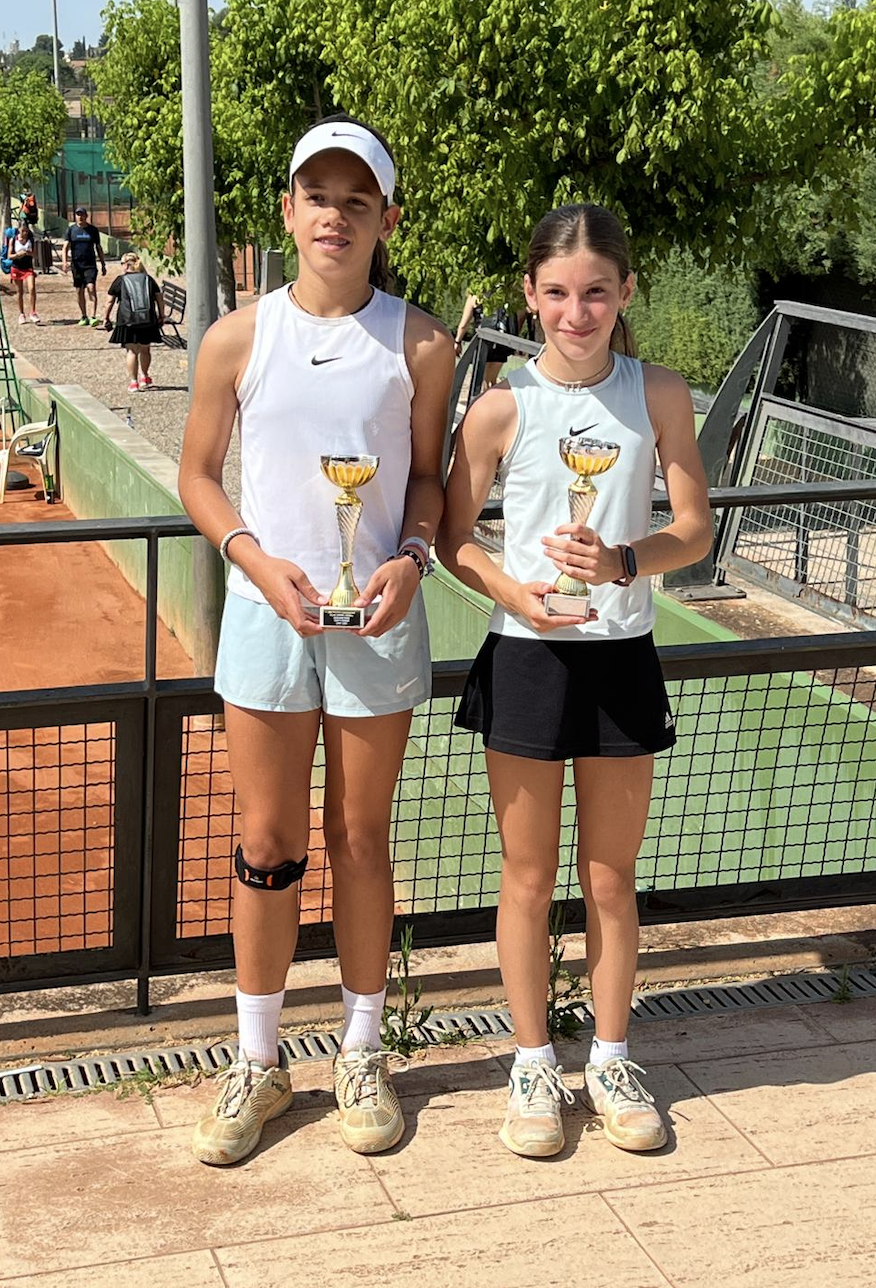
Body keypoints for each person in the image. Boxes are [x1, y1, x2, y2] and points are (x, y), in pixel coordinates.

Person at [178, 115, 453, 1167]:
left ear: (387, 218)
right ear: (288, 211)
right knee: (267, 842)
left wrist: (412, 558)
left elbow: (426, 481)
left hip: (376, 617)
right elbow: (198, 475)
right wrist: (254, 561)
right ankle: (258, 1060)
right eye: (317, 196)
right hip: (267, 615)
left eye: (356, 200)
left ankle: (362, 1052)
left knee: (361, 839)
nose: (334, 215)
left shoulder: (421, 344)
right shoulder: (236, 338)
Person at [437, 203, 712, 1159]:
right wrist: (515, 590)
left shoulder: (660, 392)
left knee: (610, 878)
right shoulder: (500, 405)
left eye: (596, 292)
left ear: (626, 291)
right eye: (557, 292)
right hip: (526, 658)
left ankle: (611, 1058)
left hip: (622, 655)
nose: (576, 312)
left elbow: (695, 530)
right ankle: (530, 1064)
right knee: (526, 876)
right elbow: (452, 539)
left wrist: (625, 563)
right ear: (530, 294)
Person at [104, 253, 165, 391]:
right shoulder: (148, 279)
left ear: (126, 265)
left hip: (127, 320)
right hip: (147, 319)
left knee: (131, 351)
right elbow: (159, 298)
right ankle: (144, 377)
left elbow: (109, 301)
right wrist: (162, 316)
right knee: (145, 349)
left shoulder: (120, 280)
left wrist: (106, 318)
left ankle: (133, 382)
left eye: (121, 264)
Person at [453, 291, 519, 388]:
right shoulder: (506, 294)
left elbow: (464, 324)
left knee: (483, 381)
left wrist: (457, 341)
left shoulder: (475, 296)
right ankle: (493, 395)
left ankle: (484, 397)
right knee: (492, 380)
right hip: (502, 342)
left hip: (483, 341)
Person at [61, 206, 106, 325]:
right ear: (75, 216)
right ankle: (84, 316)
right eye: (78, 214)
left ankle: (93, 316)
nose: (80, 217)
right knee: (79, 291)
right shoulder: (71, 230)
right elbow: (65, 247)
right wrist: (64, 262)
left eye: (82, 215)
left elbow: (98, 247)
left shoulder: (93, 230)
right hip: (77, 265)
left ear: (86, 216)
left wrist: (103, 264)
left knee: (91, 288)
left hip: (90, 264)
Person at [4, 219, 39, 324]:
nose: (25, 233)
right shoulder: (13, 240)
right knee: (19, 292)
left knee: (32, 288)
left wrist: (29, 253)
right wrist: (17, 255)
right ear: (19, 230)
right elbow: (9, 256)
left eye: (26, 231)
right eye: (23, 230)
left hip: (28, 268)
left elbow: (35, 255)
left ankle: (33, 312)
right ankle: (21, 314)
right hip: (17, 267)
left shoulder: (31, 240)